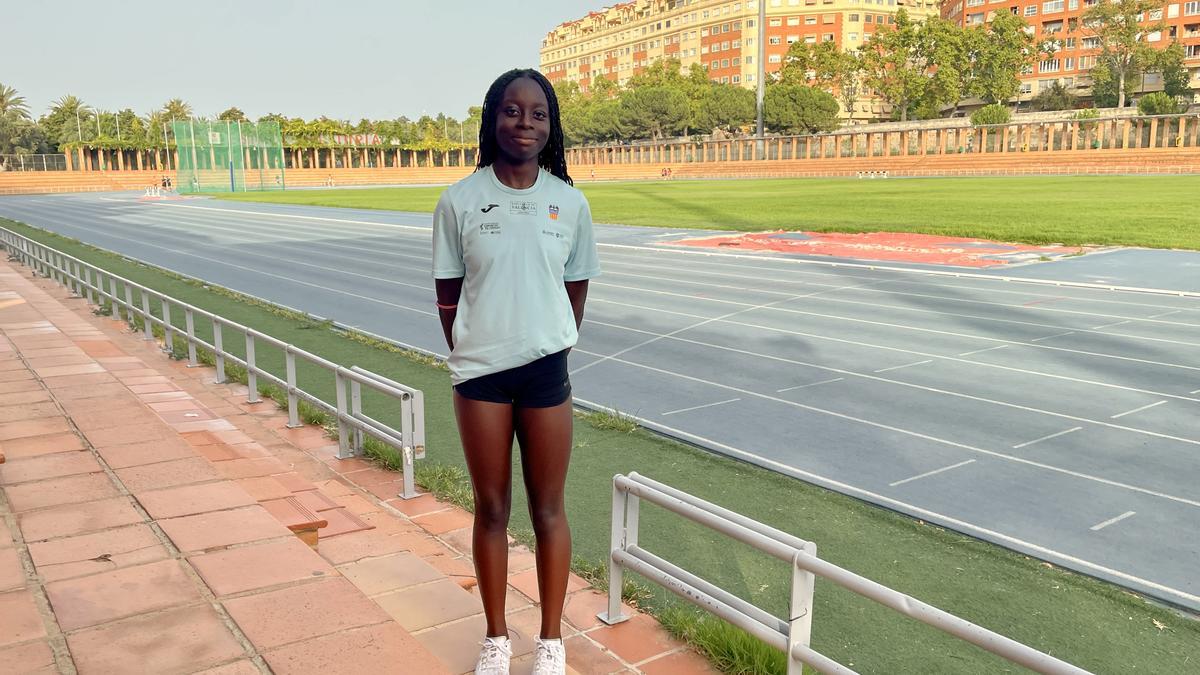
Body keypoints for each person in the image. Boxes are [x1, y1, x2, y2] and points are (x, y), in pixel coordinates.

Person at [432, 68, 600, 675]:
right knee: (492, 510)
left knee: (549, 508)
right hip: (481, 376)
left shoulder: (570, 202)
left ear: (551, 127)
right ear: (492, 119)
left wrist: (547, 340)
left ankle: (551, 643)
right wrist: (483, 345)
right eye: (511, 111)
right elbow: (448, 296)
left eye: (538, 114)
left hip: (546, 374)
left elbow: (575, 290)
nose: (524, 123)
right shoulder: (460, 200)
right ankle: (497, 640)